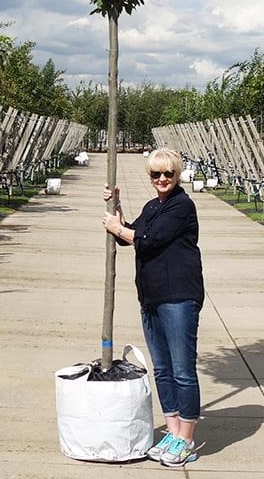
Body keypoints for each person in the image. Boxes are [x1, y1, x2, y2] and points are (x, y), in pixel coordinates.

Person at [103, 147, 204, 468]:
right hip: (152, 297)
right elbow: (129, 234)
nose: (162, 179)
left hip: (178, 297)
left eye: (168, 174)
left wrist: (119, 228)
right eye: (155, 175)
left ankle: (187, 439)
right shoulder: (153, 206)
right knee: (162, 370)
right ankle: (172, 433)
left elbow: (148, 239)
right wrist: (115, 206)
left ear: (178, 175)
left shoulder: (181, 206)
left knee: (183, 371)